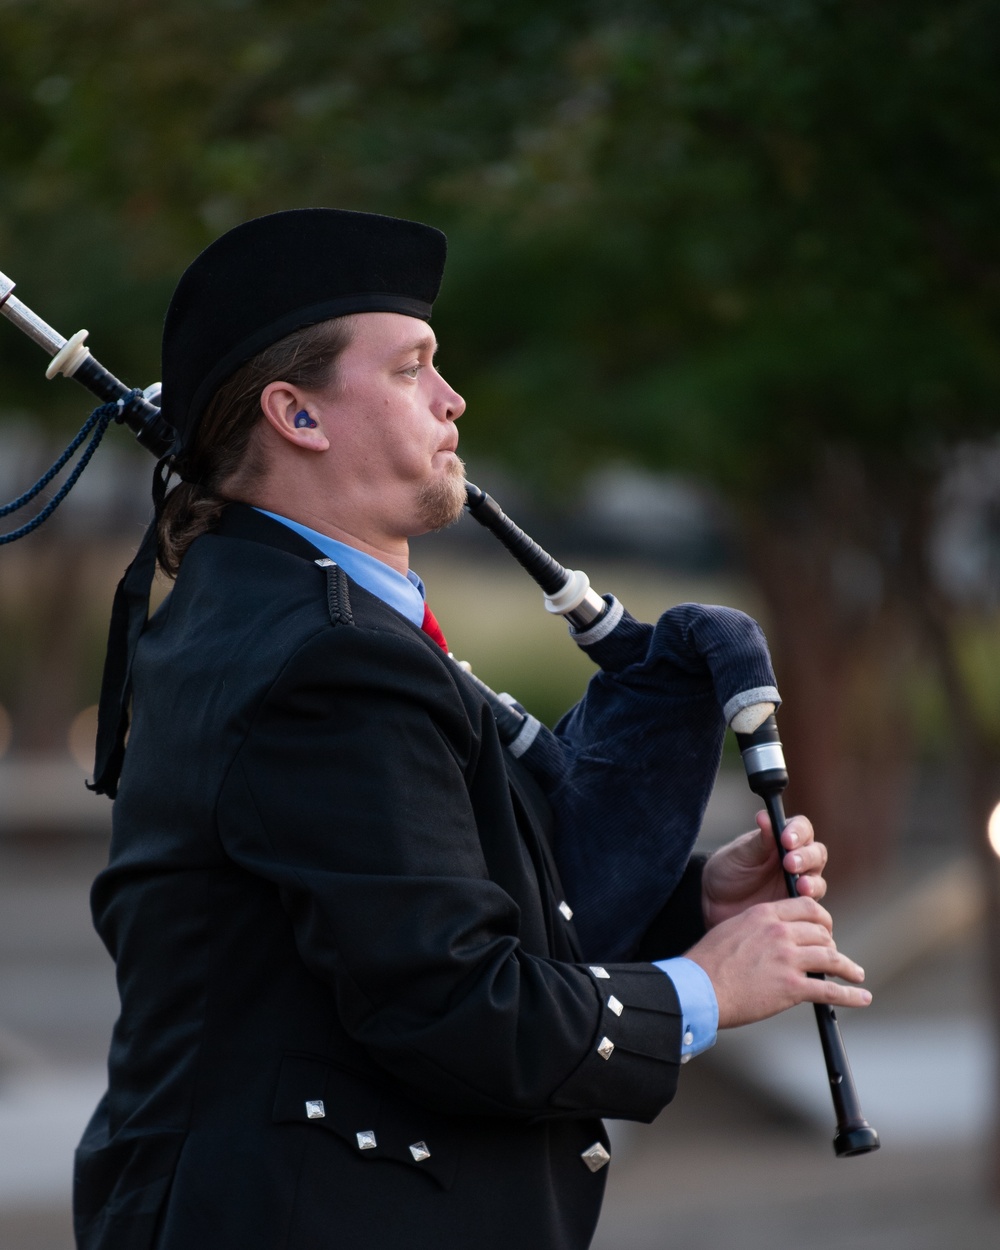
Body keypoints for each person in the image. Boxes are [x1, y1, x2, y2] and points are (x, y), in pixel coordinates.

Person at [74, 209, 871, 1250]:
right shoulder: (327, 661)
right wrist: (704, 987)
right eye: (411, 370)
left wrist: (691, 902)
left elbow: (421, 910)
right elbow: (452, 1007)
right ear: (297, 416)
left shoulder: (279, 614)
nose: (454, 401)